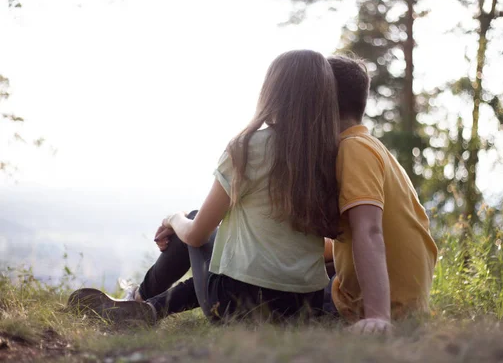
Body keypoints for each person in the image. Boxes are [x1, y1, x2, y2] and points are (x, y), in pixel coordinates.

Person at [68, 49, 341, 324]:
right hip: (305, 306)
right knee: (220, 249)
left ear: (273, 91)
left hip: (236, 306)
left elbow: (197, 236)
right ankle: (146, 306)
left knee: (197, 221)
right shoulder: (334, 155)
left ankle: (138, 299)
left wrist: (175, 219)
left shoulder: (247, 147)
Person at [324, 56, 438, 334]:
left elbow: (369, 230)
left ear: (322, 103)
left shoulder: (353, 150)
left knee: (271, 285)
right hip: (405, 302)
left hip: (380, 307)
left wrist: (378, 317)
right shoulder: (370, 145)